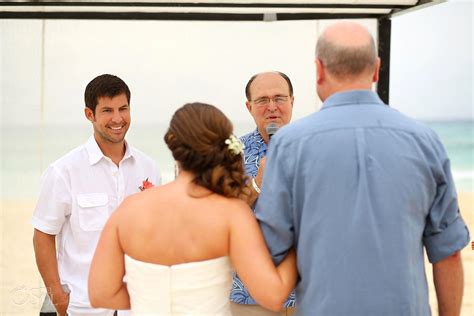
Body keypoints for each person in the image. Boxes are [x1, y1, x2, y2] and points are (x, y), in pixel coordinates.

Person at [255, 21, 470, 315]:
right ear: (377, 69)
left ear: (318, 70)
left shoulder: (289, 145)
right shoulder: (424, 141)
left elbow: (271, 248)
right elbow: (449, 252)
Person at [88, 102, 297, 315]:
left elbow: (101, 293)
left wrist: (149, 299)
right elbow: (273, 296)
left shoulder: (129, 210)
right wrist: (297, 241)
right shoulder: (231, 214)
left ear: (173, 144)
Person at [32, 74, 160, 316]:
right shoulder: (63, 172)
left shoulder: (149, 168)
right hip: (83, 307)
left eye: (123, 108)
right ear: (89, 114)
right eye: (107, 110)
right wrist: (56, 294)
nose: (117, 118)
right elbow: (43, 235)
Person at [231, 71, 296, 315]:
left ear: (292, 101)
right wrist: (257, 183)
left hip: (309, 291)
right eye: (262, 100)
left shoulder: (312, 147)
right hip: (251, 293)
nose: (272, 107)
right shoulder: (231, 153)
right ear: (249, 106)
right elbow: (221, 217)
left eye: (279, 98)